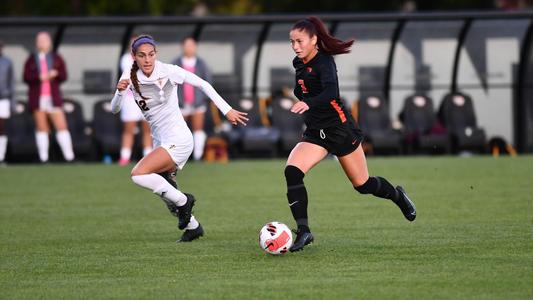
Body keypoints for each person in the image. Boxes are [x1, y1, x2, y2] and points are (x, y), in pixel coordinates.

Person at [285, 17, 417, 252]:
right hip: (316, 131)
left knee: (362, 184)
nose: (295, 46)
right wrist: (301, 96)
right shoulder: (299, 63)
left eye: (300, 41)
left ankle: (398, 196)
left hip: (340, 129)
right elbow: (302, 88)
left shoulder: (324, 62)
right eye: (292, 41)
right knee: (292, 172)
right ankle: (304, 231)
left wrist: (308, 103)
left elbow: (331, 93)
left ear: (314, 40)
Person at [111, 35, 248, 242]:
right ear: (134, 57)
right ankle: (193, 227)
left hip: (179, 139)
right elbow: (115, 109)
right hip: (161, 141)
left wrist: (226, 110)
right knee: (167, 195)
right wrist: (120, 93)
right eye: (142, 56)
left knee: (138, 174)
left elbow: (203, 84)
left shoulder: (169, 71)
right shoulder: (129, 75)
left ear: (155, 54)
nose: (147, 60)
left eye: (151, 55)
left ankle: (185, 201)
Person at [23, 31, 74, 163]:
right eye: (40, 40)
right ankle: (43, 158)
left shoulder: (56, 57)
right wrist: (38, 77)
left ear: (49, 42)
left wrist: (55, 73)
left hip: (53, 98)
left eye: (44, 40)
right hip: (37, 98)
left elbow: (63, 75)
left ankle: (69, 157)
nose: (42, 42)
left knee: (61, 126)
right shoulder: (31, 59)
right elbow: (26, 77)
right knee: (42, 128)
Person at [172, 37, 210, 161]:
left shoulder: (201, 63)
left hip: (197, 103)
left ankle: (198, 156)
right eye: (187, 45)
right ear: (182, 47)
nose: (189, 48)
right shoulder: (176, 63)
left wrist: (202, 99)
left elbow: (207, 82)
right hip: (181, 104)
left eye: (192, 45)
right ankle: (179, 157)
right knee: (179, 131)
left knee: (198, 129)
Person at [118, 36, 152, 166]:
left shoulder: (149, 59)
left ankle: (148, 157)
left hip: (146, 97)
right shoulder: (126, 59)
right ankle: (125, 157)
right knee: (129, 128)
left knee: (147, 129)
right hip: (130, 99)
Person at [0, 40, 14, 163]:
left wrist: (12, 102)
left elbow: (11, 83)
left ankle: (1, 156)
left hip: (3, 99)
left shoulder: (7, 62)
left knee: (2, 128)